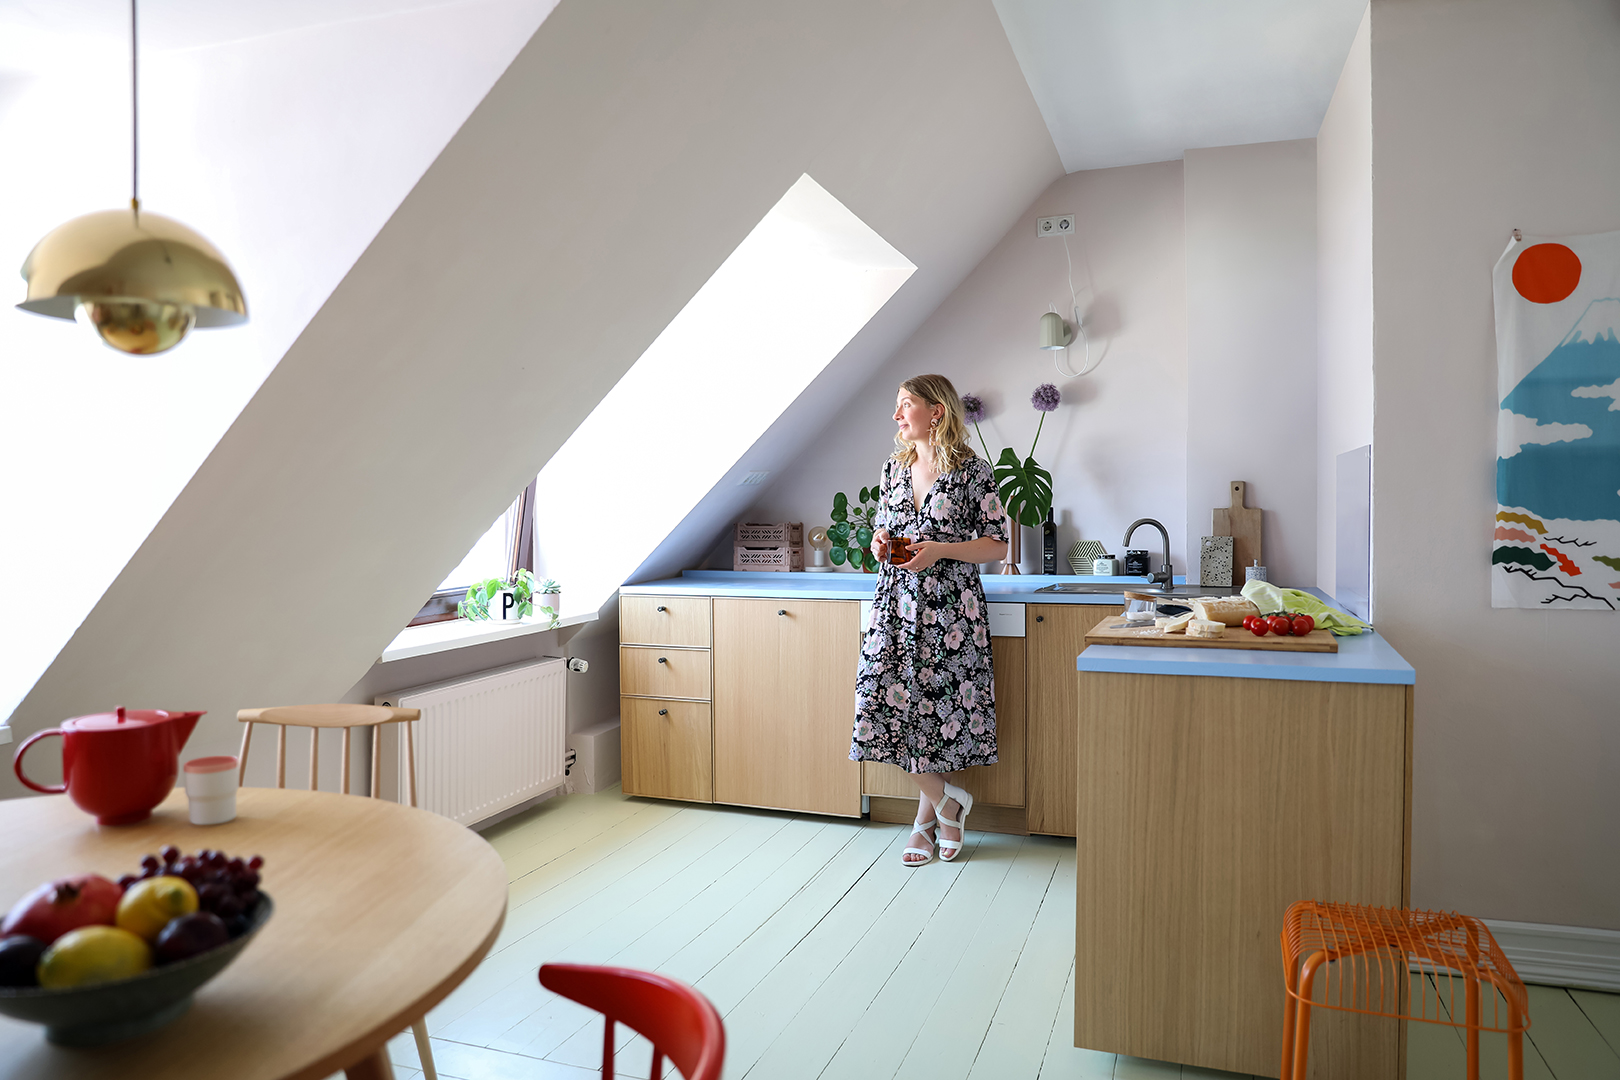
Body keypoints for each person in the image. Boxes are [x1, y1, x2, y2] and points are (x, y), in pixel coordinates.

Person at [849, 374, 1009, 866]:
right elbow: (886, 527)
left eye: (905, 405)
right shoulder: (893, 469)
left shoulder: (972, 472)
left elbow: (997, 544)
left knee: (934, 713)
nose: (897, 415)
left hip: (950, 612)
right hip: (895, 604)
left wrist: (940, 550)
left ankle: (928, 820)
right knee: (881, 704)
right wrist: (879, 541)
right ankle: (947, 801)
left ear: (936, 410)